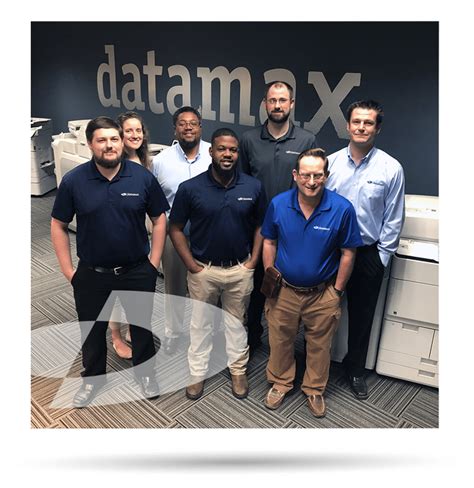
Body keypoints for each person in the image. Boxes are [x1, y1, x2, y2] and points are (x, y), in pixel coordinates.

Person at [51, 116, 169, 408]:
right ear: (90, 144)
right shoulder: (74, 181)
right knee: (92, 330)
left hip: (136, 270)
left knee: (141, 326)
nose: (109, 145)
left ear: (121, 141)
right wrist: (68, 270)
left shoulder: (142, 177)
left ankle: (145, 374)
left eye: (114, 139)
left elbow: (159, 218)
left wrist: (153, 262)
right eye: (101, 140)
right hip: (92, 272)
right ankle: (93, 379)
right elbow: (58, 224)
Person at [261, 148, 362, 417]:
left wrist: (337, 291)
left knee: (320, 345)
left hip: (322, 293)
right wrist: (270, 276)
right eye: (306, 175)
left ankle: (314, 388)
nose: (312, 181)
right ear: (295, 175)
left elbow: (348, 252)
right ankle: (281, 382)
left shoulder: (342, 209)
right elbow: (269, 241)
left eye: (318, 175)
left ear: (326, 176)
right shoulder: (279, 204)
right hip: (284, 290)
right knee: (280, 340)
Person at [169, 128, 266, 400]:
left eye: (233, 150)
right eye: (222, 149)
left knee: (237, 323)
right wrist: (191, 265)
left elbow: (261, 225)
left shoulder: (253, 186)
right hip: (204, 270)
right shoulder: (191, 188)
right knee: (200, 324)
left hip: (239, 269)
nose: (228, 154)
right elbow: (175, 228)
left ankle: (238, 370)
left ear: (238, 154)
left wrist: (253, 261)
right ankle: (197, 372)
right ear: (211, 151)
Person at [326, 100, 405, 399]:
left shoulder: (391, 168)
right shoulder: (330, 164)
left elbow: (394, 217)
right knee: (321, 311)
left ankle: (355, 369)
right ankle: (314, 362)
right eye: (356, 121)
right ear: (347, 126)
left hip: (367, 253)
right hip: (331, 253)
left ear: (377, 128)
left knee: (362, 317)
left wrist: (381, 257)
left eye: (368, 122)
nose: (361, 127)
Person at [239, 81, 319, 352]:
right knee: (256, 288)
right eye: (272, 100)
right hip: (257, 228)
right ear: (265, 104)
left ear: (291, 104)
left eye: (282, 100)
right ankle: (252, 336)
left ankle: (283, 345)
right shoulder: (249, 139)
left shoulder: (306, 140)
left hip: (292, 230)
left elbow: (310, 183)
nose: (277, 105)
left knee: (287, 289)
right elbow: (242, 182)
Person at [152, 107, 211, 355]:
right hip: (172, 233)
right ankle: (173, 332)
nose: (188, 127)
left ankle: (206, 332)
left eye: (193, 123)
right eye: (182, 123)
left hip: (207, 233)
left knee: (207, 285)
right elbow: (154, 200)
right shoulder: (160, 161)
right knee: (174, 285)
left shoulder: (213, 154)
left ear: (200, 127)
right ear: (175, 128)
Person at [108, 111, 153, 360]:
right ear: (120, 134)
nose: (135, 135)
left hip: (139, 233)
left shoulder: (145, 160)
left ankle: (131, 328)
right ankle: (116, 336)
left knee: (135, 289)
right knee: (115, 292)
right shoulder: (113, 162)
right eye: (129, 131)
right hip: (118, 233)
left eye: (138, 130)